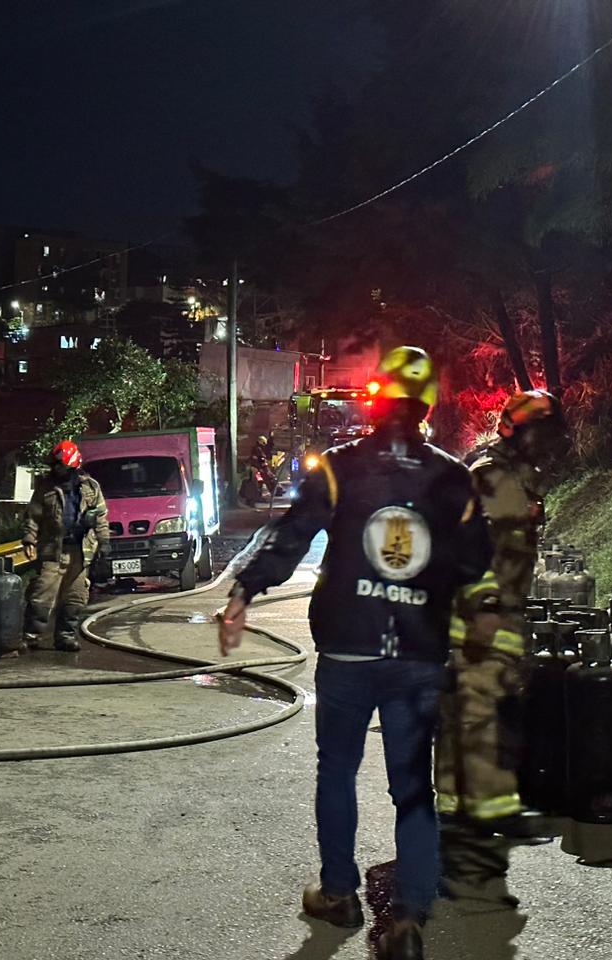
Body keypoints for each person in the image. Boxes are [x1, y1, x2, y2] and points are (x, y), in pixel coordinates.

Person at [218, 346, 491, 960]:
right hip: (418, 652)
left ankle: (339, 892)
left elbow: (289, 537)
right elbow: (478, 565)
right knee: (412, 783)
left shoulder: (338, 468)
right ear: (427, 404)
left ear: (375, 399)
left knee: (337, 769)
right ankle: (411, 914)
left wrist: (242, 593)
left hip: (347, 648)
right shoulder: (453, 477)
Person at [435, 388, 564, 906]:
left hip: (495, 608)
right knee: (479, 710)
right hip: (481, 613)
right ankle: (480, 818)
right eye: (540, 433)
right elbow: (470, 549)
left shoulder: (510, 469)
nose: (547, 445)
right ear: (517, 429)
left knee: (477, 709)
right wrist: (485, 610)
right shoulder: (493, 473)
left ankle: (465, 813)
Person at [21, 440, 111, 653]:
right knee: (41, 594)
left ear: (71, 465)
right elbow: (33, 515)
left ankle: (65, 636)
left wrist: (105, 542)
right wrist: (29, 539)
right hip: (53, 550)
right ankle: (30, 636)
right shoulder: (46, 487)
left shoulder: (91, 487)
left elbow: (101, 517)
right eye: (54, 464)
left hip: (80, 553)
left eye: (59, 464)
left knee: (75, 596)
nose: (55, 468)